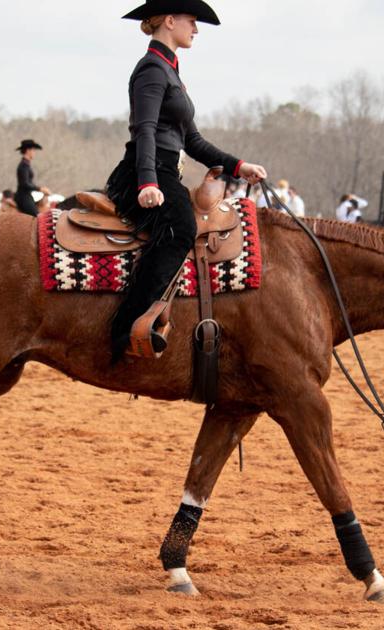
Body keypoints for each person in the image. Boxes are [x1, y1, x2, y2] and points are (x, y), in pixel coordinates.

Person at [106, 1, 266, 362]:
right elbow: (143, 129)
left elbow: (192, 141)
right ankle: (126, 331)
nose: (196, 29)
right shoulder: (151, 69)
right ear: (169, 20)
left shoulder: (171, 72)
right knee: (180, 228)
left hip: (164, 171)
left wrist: (238, 166)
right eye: (192, 22)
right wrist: (148, 182)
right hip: (144, 173)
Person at [14, 139, 49, 217]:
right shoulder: (23, 166)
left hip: (27, 195)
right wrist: (40, 189)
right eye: (33, 150)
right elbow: (25, 184)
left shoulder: (26, 165)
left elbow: (28, 183)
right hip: (23, 197)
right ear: (28, 150)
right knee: (37, 217)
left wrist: (40, 188)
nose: (34, 153)